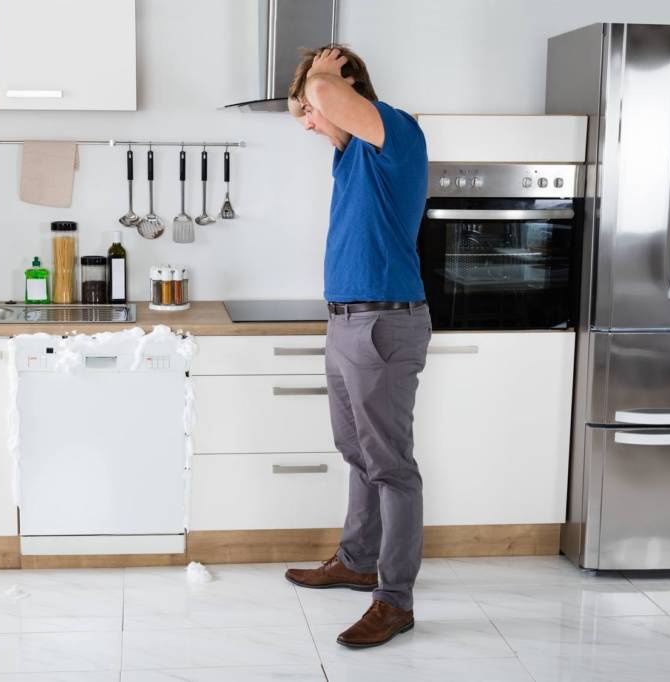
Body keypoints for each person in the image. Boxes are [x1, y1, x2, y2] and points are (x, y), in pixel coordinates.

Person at [282, 44, 431, 648]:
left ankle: (394, 600)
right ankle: (356, 559)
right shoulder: (352, 157)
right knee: (357, 451)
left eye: (313, 107)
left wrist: (325, 74)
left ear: (346, 90)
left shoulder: (395, 132)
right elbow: (314, 107)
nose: (309, 120)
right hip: (347, 322)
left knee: (392, 466)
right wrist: (316, 94)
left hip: (383, 323)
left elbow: (322, 98)